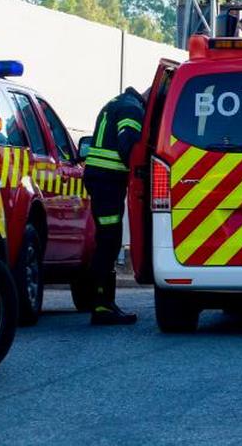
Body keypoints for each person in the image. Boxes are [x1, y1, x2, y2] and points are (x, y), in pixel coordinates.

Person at [81, 86, 146, 325]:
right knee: (109, 242)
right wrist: (142, 173)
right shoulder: (133, 109)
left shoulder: (118, 102)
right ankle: (102, 306)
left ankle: (102, 303)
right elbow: (128, 145)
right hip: (107, 182)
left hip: (103, 181)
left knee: (107, 241)